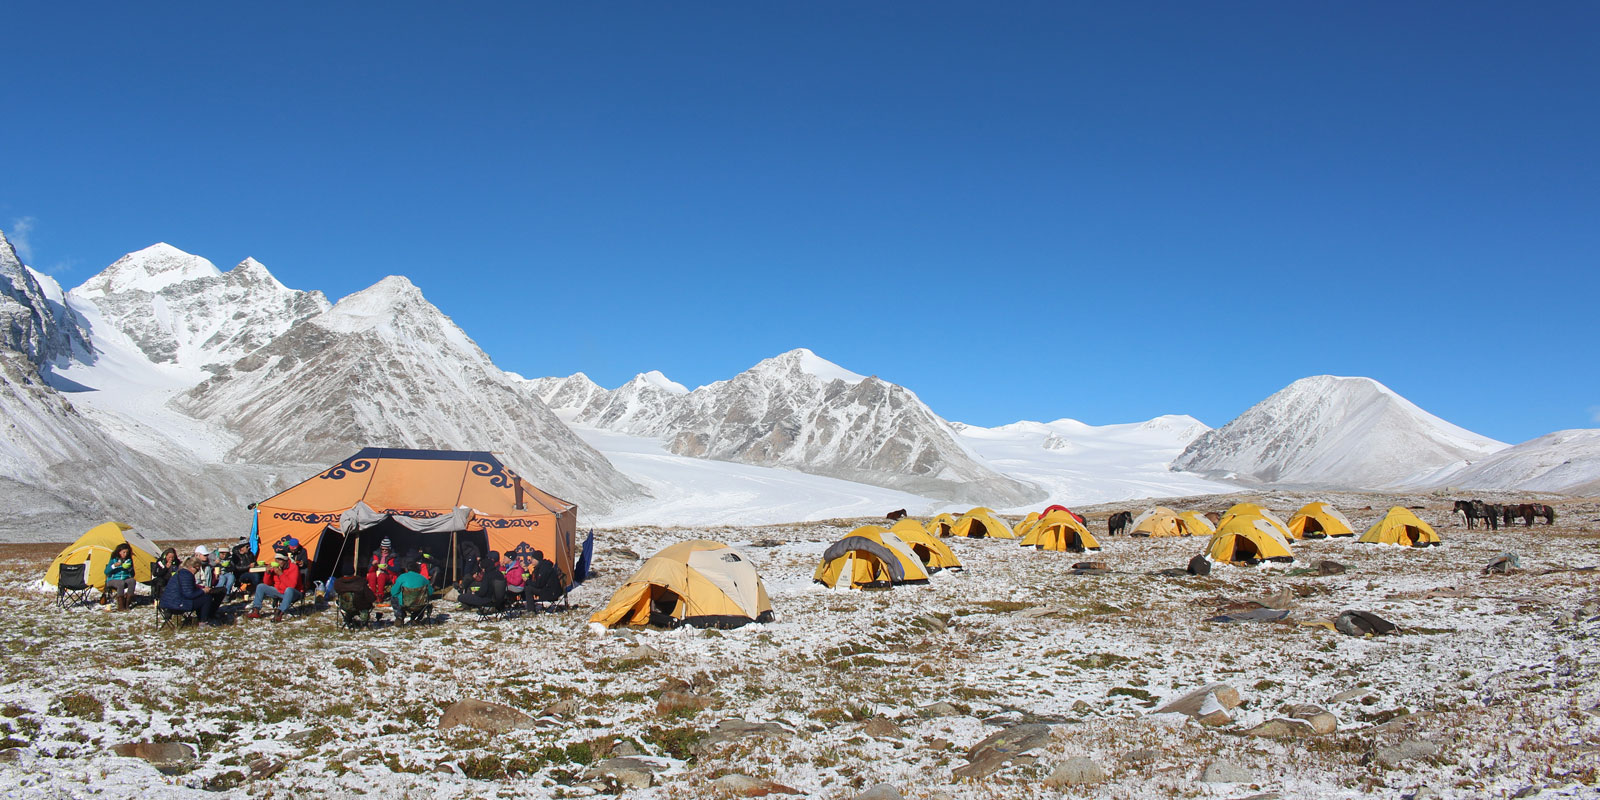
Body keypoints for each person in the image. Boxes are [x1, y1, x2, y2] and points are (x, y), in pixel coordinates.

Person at [159, 556, 217, 624]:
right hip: (177, 604)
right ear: (192, 567)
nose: (198, 571)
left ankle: (202, 618)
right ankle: (203, 621)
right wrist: (203, 591)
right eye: (197, 569)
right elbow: (189, 594)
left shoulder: (181, 572)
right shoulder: (187, 575)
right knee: (207, 598)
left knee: (201, 596)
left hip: (168, 603)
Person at [247, 555, 300, 622]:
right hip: (279, 591)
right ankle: (256, 610)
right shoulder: (275, 568)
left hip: (293, 593)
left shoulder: (293, 567)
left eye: (279, 560)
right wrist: (267, 573)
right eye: (276, 560)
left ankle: (279, 613)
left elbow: (292, 585)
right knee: (261, 586)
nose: (277, 562)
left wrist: (280, 574)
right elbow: (267, 584)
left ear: (285, 561)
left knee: (289, 590)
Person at [103, 543, 139, 611]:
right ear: (119, 552)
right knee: (120, 583)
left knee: (132, 581)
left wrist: (129, 568)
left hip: (124, 579)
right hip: (112, 580)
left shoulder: (128, 561)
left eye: (127, 552)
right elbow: (106, 572)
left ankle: (127, 603)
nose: (125, 554)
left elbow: (132, 574)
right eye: (124, 552)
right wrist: (113, 566)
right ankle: (121, 606)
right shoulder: (113, 560)